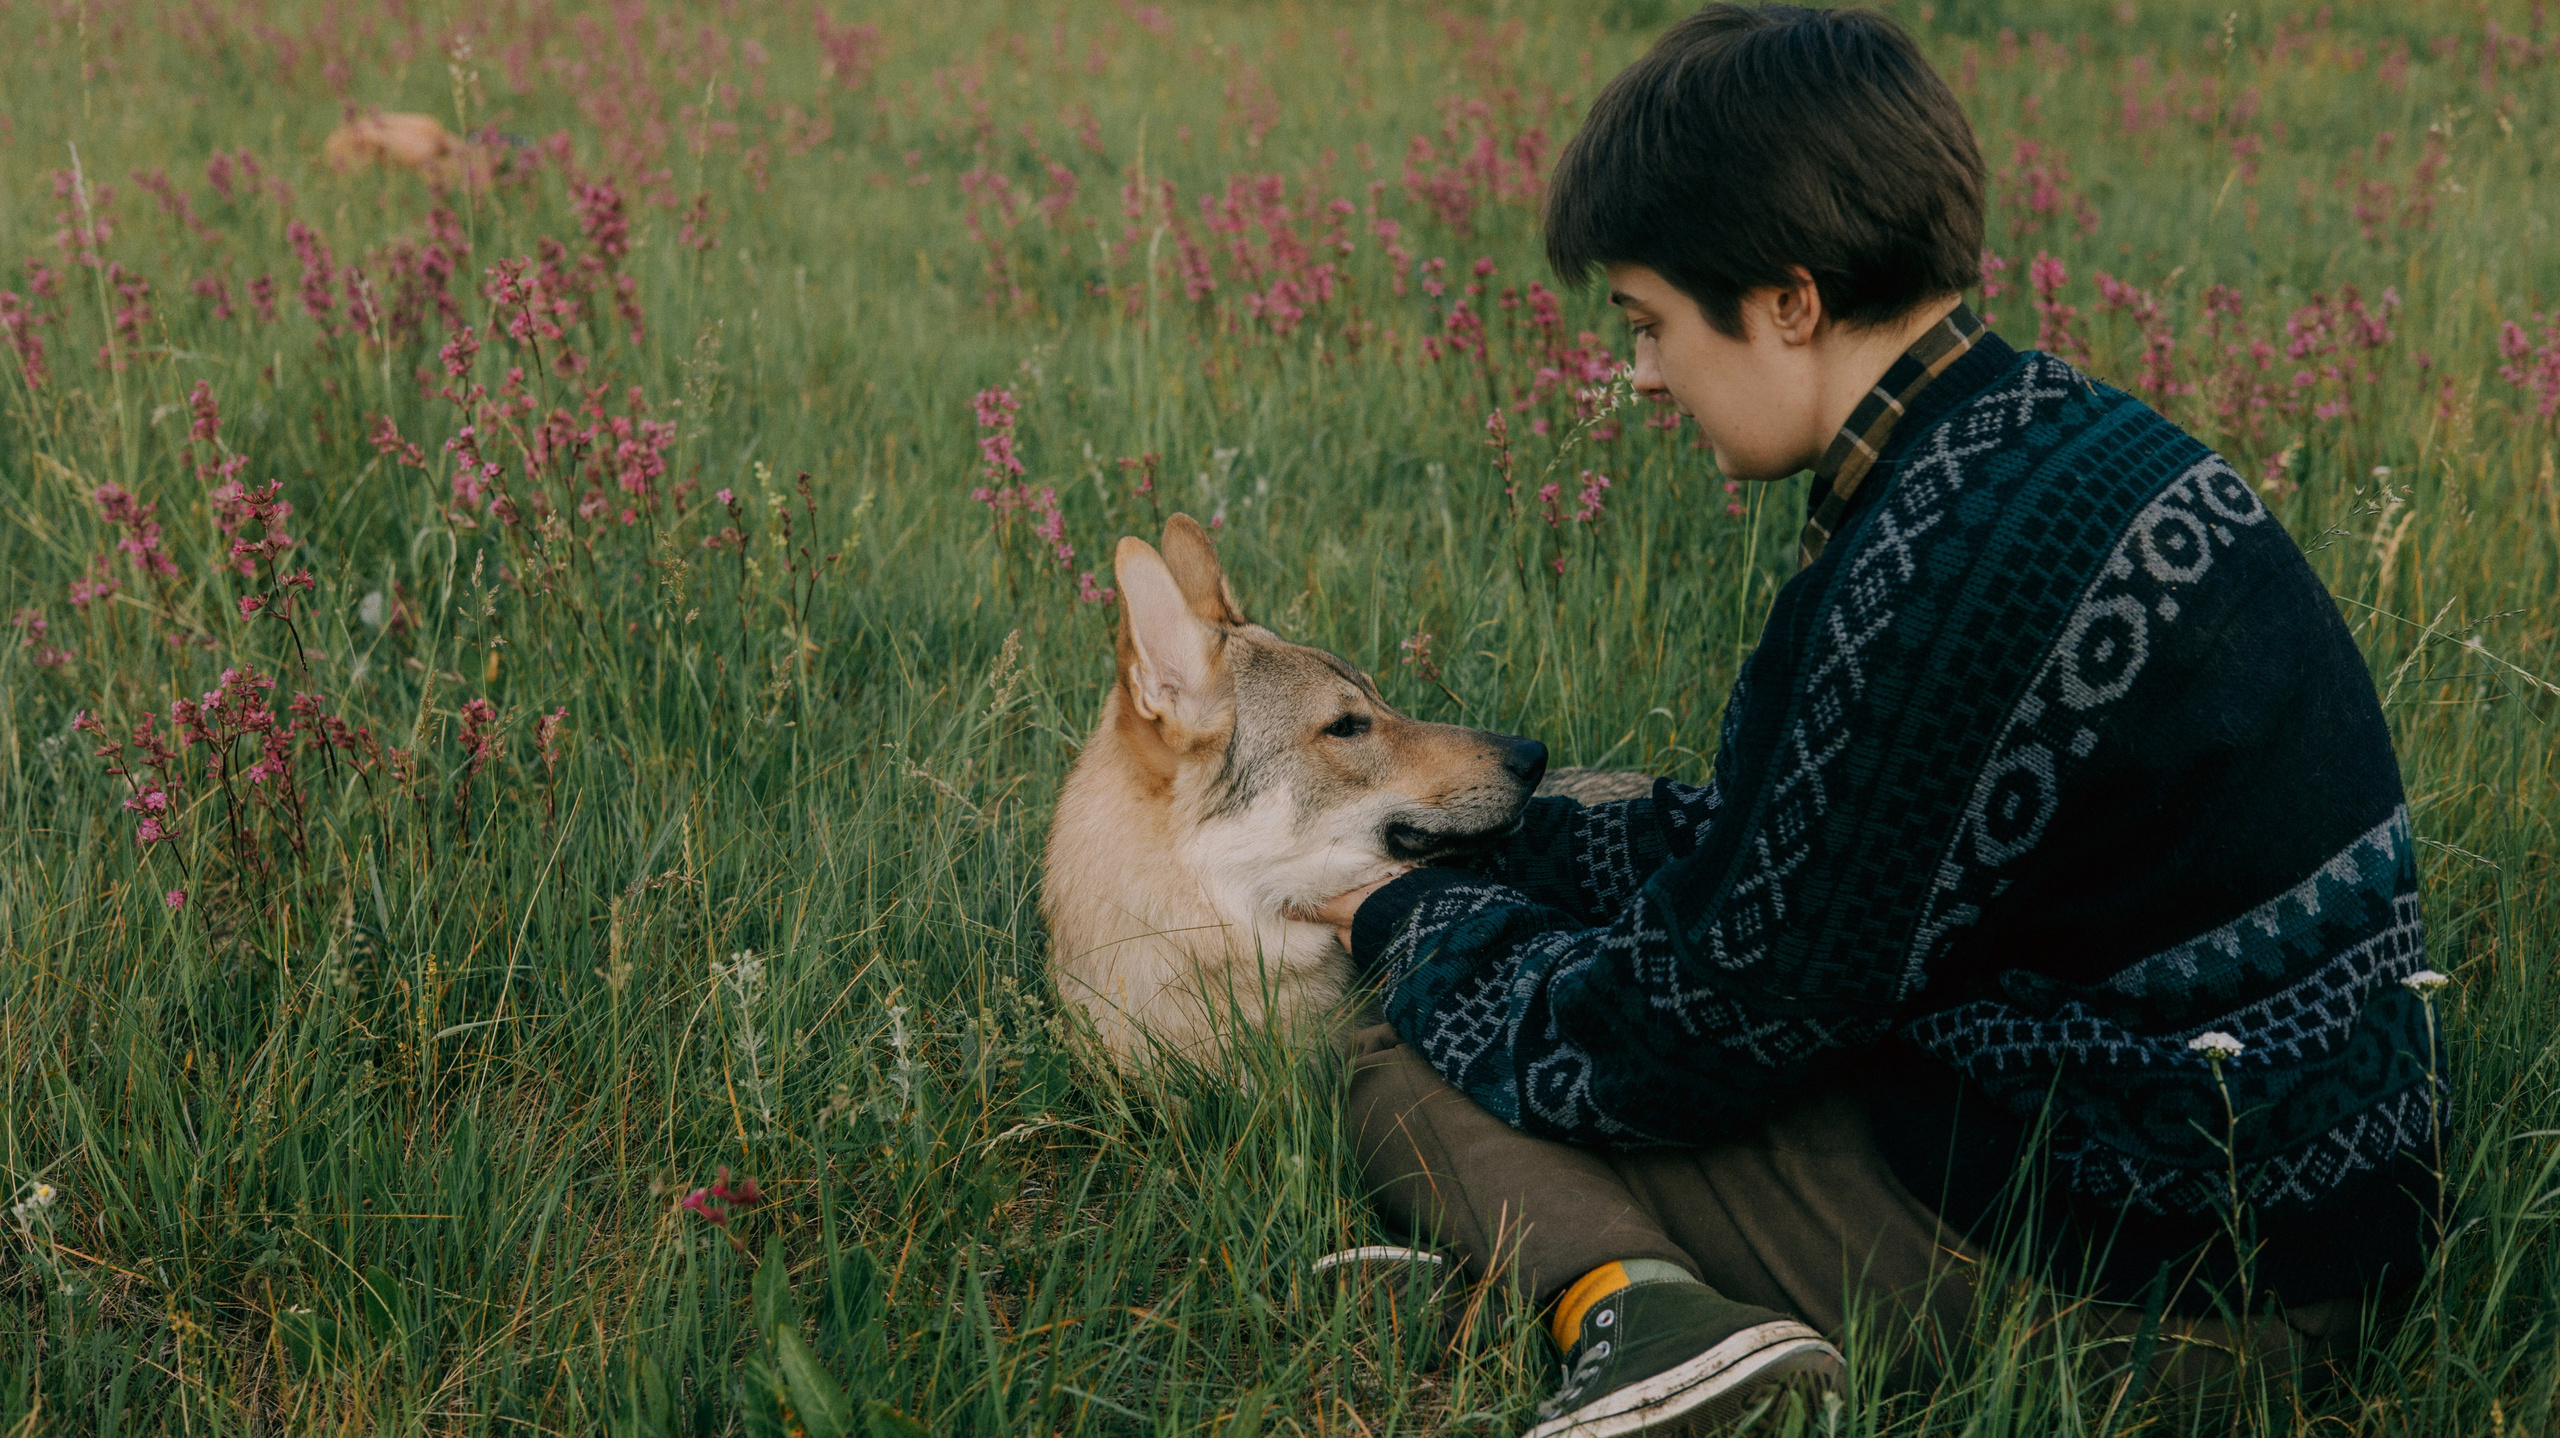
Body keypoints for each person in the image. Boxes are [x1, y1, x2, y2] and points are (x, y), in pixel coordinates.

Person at [1310, 6, 2439, 1433]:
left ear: (1789, 302)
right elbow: (1783, 853)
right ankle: (1544, 1261)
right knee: (1564, 924)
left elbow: (1689, 1039)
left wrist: (1407, 918)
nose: (1641, 375)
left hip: (2175, 1293)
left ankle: (1649, 1321)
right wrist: (1510, 836)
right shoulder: (2058, 440)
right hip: (2317, 1214)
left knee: (1406, 1057)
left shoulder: (1928, 577)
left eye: (1651, 324)